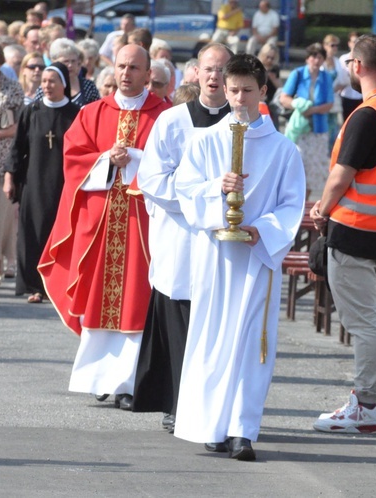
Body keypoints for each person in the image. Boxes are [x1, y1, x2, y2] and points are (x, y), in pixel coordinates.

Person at [173, 53, 305, 460]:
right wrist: (217, 186)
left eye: (249, 91)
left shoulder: (284, 151)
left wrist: (261, 229)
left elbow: (291, 205)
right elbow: (186, 191)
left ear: (264, 91)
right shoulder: (205, 141)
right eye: (233, 91)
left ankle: (242, 430)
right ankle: (211, 424)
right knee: (213, 340)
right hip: (215, 256)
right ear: (223, 90)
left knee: (251, 343)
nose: (240, 100)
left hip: (255, 259)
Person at [37, 44, 169, 410]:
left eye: (134, 68)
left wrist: (137, 159)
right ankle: (99, 378)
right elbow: (74, 160)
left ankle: (130, 382)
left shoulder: (166, 116)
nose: (126, 73)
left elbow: (175, 164)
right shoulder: (93, 113)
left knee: (137, 300)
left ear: (148, 74)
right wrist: (105, 160)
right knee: (99, 298)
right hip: (102, 224)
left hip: (143, 225)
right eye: (121, 66)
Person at [309, 34, 376, 434]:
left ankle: (365, 406)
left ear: (358, 65)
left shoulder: (367, 114)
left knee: (365, 324)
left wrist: (321, 208)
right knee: (374, 318)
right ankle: (364, 403)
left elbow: (342, 174)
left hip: (354, 230)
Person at [132, 43, 232, 434]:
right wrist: (204, 197)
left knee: (214, 329)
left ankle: (212, 407)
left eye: (222, 70)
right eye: (208, 69)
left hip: (223, 242)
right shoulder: (172, 121)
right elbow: (152, 180)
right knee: (180, 326)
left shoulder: (244, 124)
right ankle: (175, 402)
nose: (214, 77)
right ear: (195, 73)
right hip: (182, 238)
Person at [3, 62, 80, 302]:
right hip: (33, 182)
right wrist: (9, 178)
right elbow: (17, 148)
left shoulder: (76, 114)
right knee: (32, 233)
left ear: (63, 84)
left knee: (60, 235)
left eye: (52, 81)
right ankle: (34, 286)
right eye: (44, 81)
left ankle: (58, 287)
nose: (46, 85)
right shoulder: (31, 111)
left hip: (63, 183)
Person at [280, 43, 333, 199]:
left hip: (318, 128)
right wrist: (298, 105)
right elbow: (284, 98)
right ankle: (291, 200)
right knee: (296, 166)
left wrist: (312, 110)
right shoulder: (297, 73)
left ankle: (304, 202)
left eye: (320, 57)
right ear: (307, 58)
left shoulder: (326, 77)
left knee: (314, 171)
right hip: (299, 129)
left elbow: (329, 104)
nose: (316, 60)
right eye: (313, 56)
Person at [0, 45, 24, 286]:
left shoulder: (12, 88)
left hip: (2, 159)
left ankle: (0, 264)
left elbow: (18, 126)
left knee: (1, 217)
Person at [35, 38, 100, 107]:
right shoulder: (45, 87)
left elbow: (97, 110)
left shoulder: (88, 86)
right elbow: (37, 111)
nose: (70, 65)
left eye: (73, 61)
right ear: (54, 62)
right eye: (66, 61)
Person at [322, 34, 348, 148]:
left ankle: (331, 152)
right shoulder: (320, 61)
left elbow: (345, 80)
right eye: (332, 45)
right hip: (321, 99)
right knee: (322, 127)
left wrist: (335, 88)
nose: (335, 48)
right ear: (325, 46)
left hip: (334, 100)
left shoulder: (338, 62)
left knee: (333, 128)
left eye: (336, 46)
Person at [338, 32, 363, 121]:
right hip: (346, 95)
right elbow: (341, 78)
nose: (355, 44)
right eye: (353, 42)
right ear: (349, 43)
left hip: (360, 96)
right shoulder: (343, 59)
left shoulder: (364, 59)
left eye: (357, 42)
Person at [257, 43, 280, 127]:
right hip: (259, 100)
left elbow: (280, 87)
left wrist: (273, 79)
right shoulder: (257, 67)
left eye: (272, 58)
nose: (269, 60)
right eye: (267, 57)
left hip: (271, 100)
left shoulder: (275, 69)